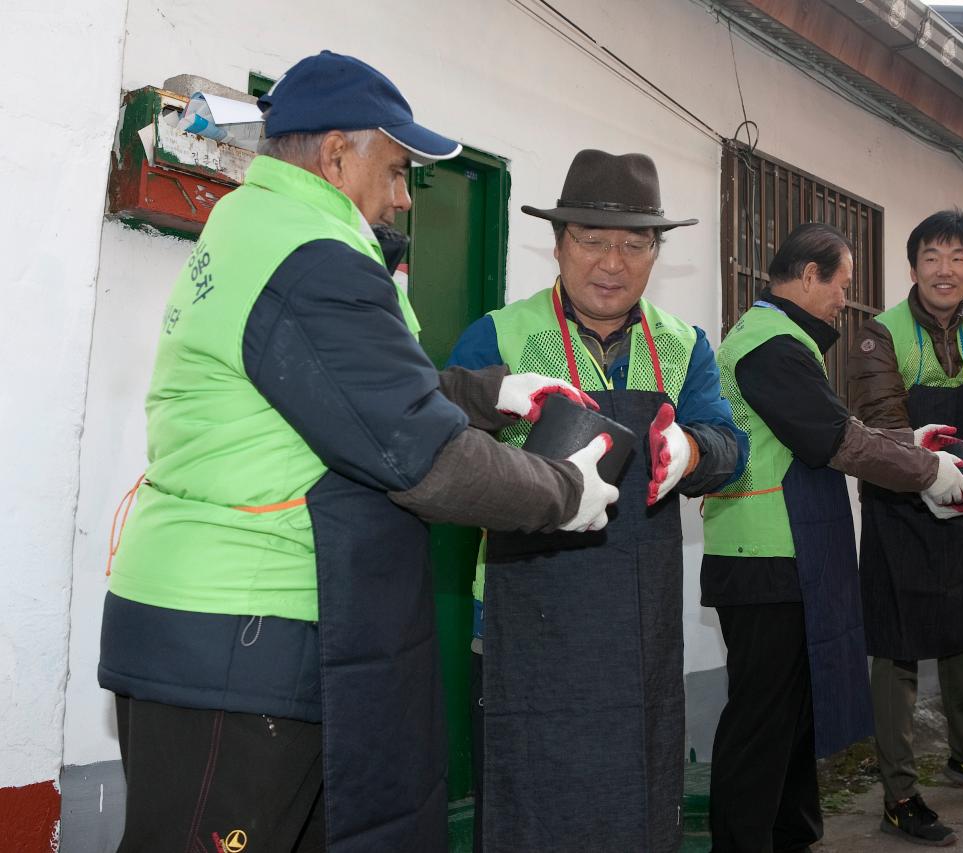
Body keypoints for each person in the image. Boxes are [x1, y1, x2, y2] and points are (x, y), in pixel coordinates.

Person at [98, 52, 620, 853]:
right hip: (240, 633)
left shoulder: (255, 224)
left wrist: (489, 394)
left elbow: (362, 392)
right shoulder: (312, 259)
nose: (405, 194)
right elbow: (424, 457)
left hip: (232, 629)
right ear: (337, 153)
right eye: (399, 167)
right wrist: (565, 492)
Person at [447, 148, 747, 853]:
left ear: (655, 253)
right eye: (590, 238)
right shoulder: (499, 335)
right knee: (528, 803)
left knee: (635, 805)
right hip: (521, 621)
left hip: (636, 628)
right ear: (557, 244)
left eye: (634, 243)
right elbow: (442, 447)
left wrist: (693, 453)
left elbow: (732, 448)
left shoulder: (684, 347)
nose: (611, 261)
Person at [701, 222, 963, 852]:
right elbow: (835, 440)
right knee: (762, 721)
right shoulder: (769, 345)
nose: (844, 301)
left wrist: (909, 442)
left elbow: (837, 424)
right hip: (764, 554)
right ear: (808, 276)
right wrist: (928, 472)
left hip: (785, 553)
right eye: (841, 285)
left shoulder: (785, 342)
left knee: (792, 715)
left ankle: (790, 835)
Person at [849, 209, 963, 846]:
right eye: (932, 256)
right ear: (912, 267)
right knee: (895, 643)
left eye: (958, 258)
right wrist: (922, 471)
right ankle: (899, 793)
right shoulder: (880, 332)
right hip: (898, 500)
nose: (945, 270)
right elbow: (876, 417)